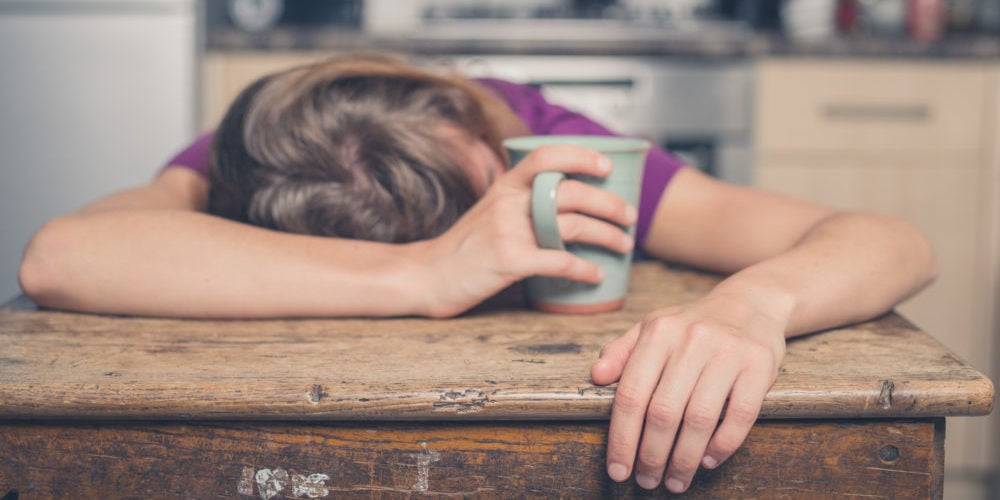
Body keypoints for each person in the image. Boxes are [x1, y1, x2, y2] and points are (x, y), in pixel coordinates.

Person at [17, 52, 937, 493]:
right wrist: (425, 275)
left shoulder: (544, 141)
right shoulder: (275, 143)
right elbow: (60, 256)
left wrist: (753, 305)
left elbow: (893, 241)